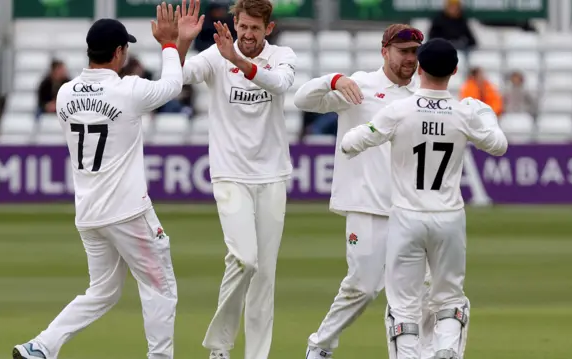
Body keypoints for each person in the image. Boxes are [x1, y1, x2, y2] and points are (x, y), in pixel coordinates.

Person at [11, 2, 200, 359]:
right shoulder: (128, 90)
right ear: (119, 52)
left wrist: (174, 47)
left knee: (103, 291)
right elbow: (173, 86)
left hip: (89, 214)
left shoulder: (65, 93)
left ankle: (42, 346)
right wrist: (170, 44)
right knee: (161, 287)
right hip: (128, 212)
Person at [340, 38, 508, 359]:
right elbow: (498, 145)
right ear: (455, 70)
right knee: (449, 299)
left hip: (406, 217)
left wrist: (369, 131)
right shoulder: (464, 112)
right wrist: (483, 111)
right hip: (449, 219)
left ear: (419, 67)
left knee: (403, 304)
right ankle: (445, 349)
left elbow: (351, 143)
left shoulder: (399, 111)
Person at [294, 24, 440, 359]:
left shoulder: (422, 95)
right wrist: (333, 80)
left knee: (422, 291)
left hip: (411, 209)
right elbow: (303, 100)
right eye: (403, 51)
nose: (409, 59)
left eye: (415, 52)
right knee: (362, 286)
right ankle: (320, 346)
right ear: (384, 51)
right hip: (366, 205)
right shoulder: (360, 86)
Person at [175, 0, 296, 358]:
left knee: (264, 278)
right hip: (230, 173)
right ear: (235, 23)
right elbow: (177, 76)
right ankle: (220, 346)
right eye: (242, 27)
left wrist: (238, 61)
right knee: (245, 258)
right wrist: (180, 43)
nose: (246, 34)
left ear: (268, 29)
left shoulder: (282, 55)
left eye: (254, 29)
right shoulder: (216, 55)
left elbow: (279, 84)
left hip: (272, 174)